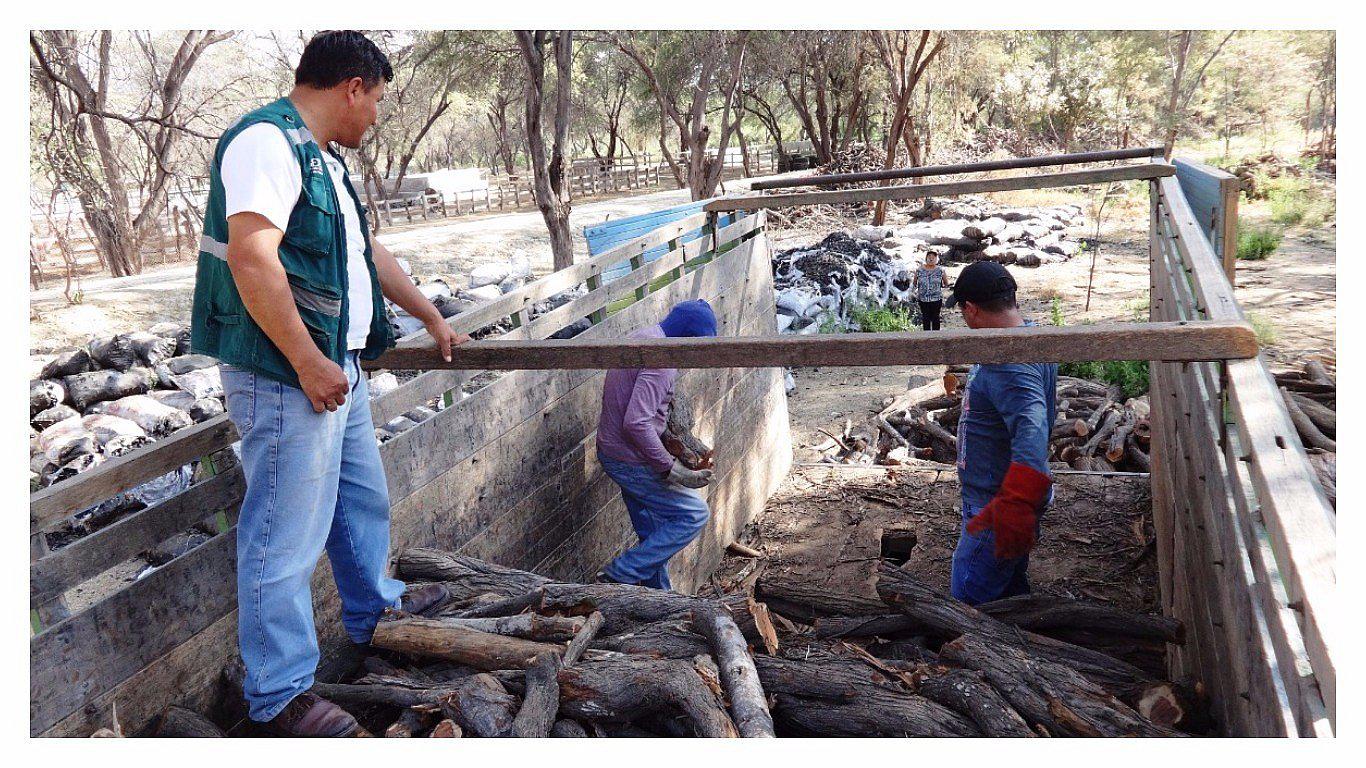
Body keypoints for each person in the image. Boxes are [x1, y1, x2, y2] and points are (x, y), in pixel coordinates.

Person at [189, 31, 464, 737]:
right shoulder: (264, 144)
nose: (375, 116)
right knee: (283, 534)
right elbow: (253, 259)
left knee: (359, 501)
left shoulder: (323, 161)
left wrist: (430, 315)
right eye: (375, 100)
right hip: (287, 372)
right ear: (351, 87)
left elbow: (365, 253)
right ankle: (279, 696)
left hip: (330, 366)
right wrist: (309, 362)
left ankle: (375, 613)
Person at [948, 261, 1057, 605]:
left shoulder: (1009, 361)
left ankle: (982, 654)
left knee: (968, 599)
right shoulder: (1028, 337)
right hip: (1003, 496)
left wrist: (1016, 502)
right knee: (1007, 583)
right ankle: (1020, 633)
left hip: (997, 503)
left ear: (971, 308)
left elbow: (1033, 424)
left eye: (962, 312)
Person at [594, 299, 718, 591]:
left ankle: (660, 599)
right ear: (689, 338)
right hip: (629, 458)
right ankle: (619, 573)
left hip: (615, 450)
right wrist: (670, 468)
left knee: (652, 537)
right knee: (694, 514)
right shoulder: (661, 359)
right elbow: (636, 422)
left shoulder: (645, 335)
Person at [913, 252, 949, 331]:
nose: (931, 258)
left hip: (936, 299)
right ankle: (927, 338)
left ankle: (936, 338)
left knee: (935, 318)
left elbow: (946, 283)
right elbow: (914, 283)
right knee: (925, 318)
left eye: (933, 257)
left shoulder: (941, 270)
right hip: (923, 299)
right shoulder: (919, 270)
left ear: (937, 259)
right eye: (929, 256)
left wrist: (938, 288)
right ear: (926, 258)